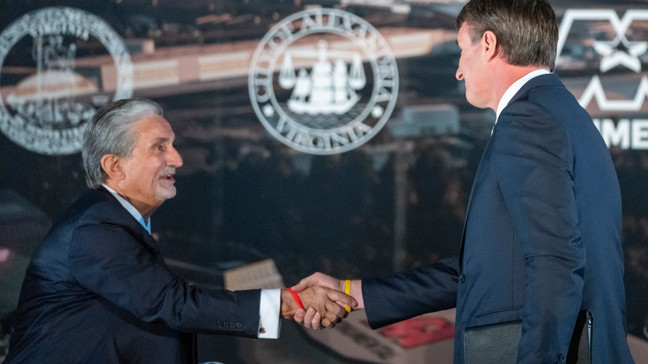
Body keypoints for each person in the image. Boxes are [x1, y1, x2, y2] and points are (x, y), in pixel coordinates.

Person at [292, 0, 635, 363]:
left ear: (488, 44)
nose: (458, 70)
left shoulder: (527, 120)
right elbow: (477, 272)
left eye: (461, 49)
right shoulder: (560, 113)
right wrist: (351, 292)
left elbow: (556, 260)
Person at [4, 98, 356, 364]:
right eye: (160, 147)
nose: (177, 159)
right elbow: (172, 304)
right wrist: (289, 303)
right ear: (114, 165)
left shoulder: (112, 221)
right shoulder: (96, 228)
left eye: (172, 145)